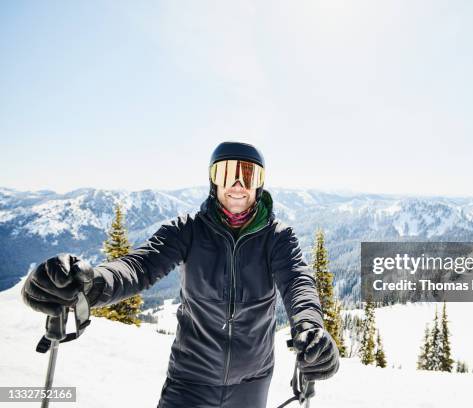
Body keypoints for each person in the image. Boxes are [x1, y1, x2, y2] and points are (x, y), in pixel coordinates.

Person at [21, 141, 340, 408]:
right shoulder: (187, 230)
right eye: (227, 172)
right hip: (190, 381)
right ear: (214, 181)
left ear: (260, 182)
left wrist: (310, 326)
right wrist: (89, 284)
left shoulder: (278, 237)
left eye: (248, 174)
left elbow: (298, 283)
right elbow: (138, 268)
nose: (238, 184)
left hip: (251, 384)